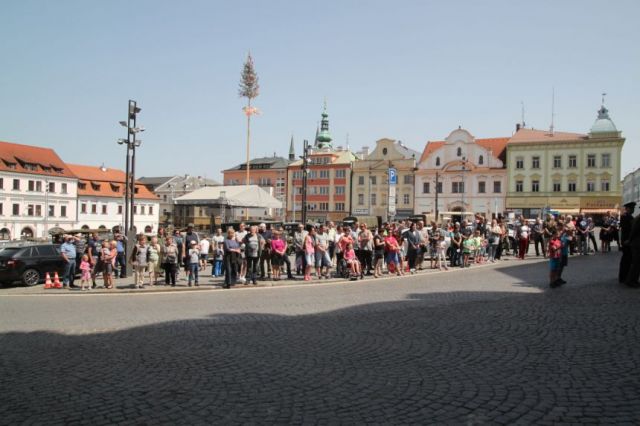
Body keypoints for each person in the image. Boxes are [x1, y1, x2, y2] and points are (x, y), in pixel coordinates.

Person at [619, 202, 635, 283]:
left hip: (627, 240)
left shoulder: (629, 217)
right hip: (626, 241)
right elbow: (626, 230)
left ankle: (624, 276)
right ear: (628, 208)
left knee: (627, 259)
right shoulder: (625, 217)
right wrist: (627, 240)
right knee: (626, 259)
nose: (633, 210)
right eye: (632, 208)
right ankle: (623, 277)